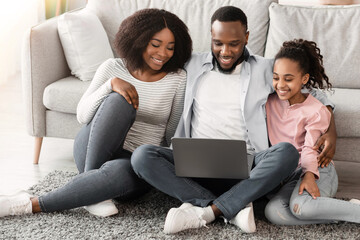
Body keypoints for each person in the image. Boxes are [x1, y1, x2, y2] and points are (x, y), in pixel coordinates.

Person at [131, 6, 337, 234]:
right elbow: (150, 60)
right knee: (142, 156)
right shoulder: (192, 63)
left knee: (286, 153)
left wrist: (330, 131)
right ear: (211, 36)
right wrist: (113, 81)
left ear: (247, 37)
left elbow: (313, 94)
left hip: (247, 165)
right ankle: (232, 206)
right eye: (218, 43)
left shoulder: (265, 68)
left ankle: (207, 210)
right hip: (195, 163)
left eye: (234, 43)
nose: (225, 51)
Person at [0, 9, 192, 218]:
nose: (163, 53)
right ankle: (93, 187)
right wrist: (110, 85)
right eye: (156, 44)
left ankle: (28, 204)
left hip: (133, 163)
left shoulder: (177, 79)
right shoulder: (112, 68)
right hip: (93, 148)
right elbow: (83, 116)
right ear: (139, 39)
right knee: (119, 99)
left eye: (170, 47)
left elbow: (172, 134)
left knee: (118, 172)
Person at [264, 39, 360, 225]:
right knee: (274, 212)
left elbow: (310, 147)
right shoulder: (269, 102)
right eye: (276, 77)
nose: (281, 84)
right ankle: (344, 211)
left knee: (303, 207)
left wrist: (309, 175)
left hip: (318, 169)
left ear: (304, 79)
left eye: (288, 79)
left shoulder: (316, 109)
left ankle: (350, 211)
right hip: (292, 174)